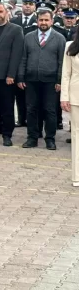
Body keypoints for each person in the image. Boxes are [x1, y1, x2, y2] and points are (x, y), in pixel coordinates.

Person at [18, 6, 66, 150]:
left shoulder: (59, 38)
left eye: (46, 20)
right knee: (31, 109)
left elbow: (62, 62)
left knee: (50, 110)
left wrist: (59, 81)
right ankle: (32, 138)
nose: (43, 22)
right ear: (37, 21)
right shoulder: (28, 37)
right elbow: (23, 58)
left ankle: (50, 139)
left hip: (50, 81)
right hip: (31, 80)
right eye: (41, 20)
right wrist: (21, 77)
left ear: (52, 21)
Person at [0, 1, 24, 146]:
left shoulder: (15, 30)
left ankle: (7, 135)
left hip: (7, 77)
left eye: (0, 12)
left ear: (6, 13)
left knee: (7, 107)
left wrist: (11, 75)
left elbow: (16, 54)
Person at [13, 0, 40, 127]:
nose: (27, 6)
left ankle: (32, 120)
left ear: (35, 7)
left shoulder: (38, 21)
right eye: (25, 4)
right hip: (16, 61)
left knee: (31, 95)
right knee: (18, 94)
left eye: (30, 4)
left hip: (31, 62)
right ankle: (21, 118)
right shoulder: (14, 21)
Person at [60, 27, 79, 186]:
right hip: (75, 96)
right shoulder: (70, 46)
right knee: (76, 136)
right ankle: (77, 176)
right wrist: (64, 97)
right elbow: (66, 74)